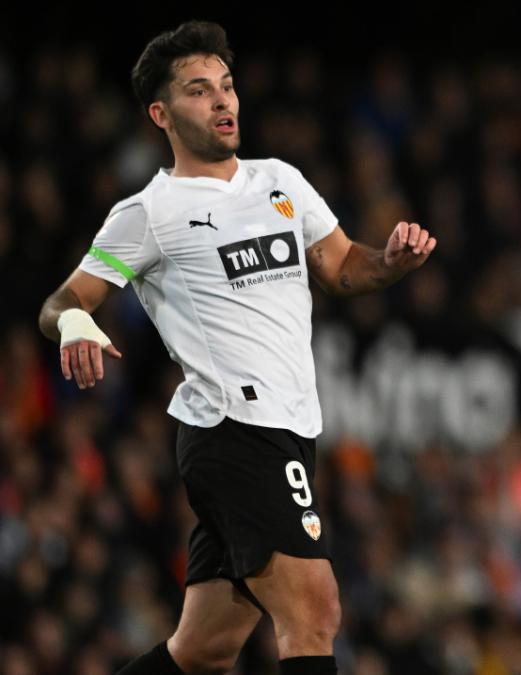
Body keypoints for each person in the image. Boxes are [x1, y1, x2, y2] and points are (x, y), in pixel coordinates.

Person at [36, 21, 436, 675]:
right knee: (314, 610)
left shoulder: (280, 181)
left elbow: (342, 266)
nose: (222, 100)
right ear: (161, 114)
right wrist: (75, 322)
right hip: (232, 429)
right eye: (199, 90)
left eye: (226, 85)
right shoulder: (150, 212)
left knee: (203, 650)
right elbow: (61, 301)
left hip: (291, 427)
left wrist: (389, 262)